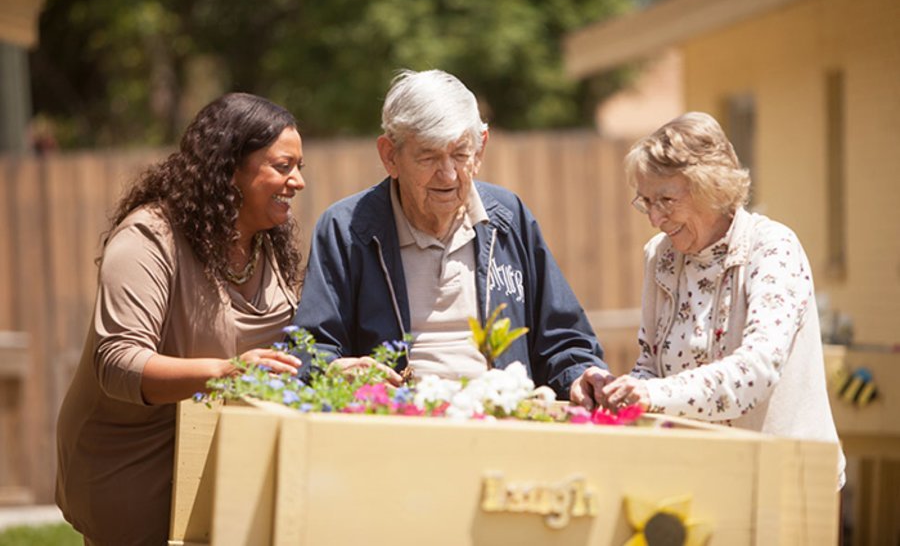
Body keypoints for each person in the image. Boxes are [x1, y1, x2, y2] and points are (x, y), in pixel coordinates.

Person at [56, 93, 306, 545]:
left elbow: (282, 356)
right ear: (230, 168)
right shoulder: (150, 238)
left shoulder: (269, 246)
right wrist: (227, 373)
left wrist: (330, 368)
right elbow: (118, 363)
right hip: (135, 469)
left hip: (223, 460)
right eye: (283, 166)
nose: (298, 181)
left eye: (299, 167)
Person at [292, 69, 609, 396]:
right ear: (390, 156)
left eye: (460, 154)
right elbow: (311, 347)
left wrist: (580, 376)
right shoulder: (347, 230)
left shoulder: (508, 218)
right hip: (399, 427)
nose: (448, 175)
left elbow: (563, 340)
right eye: (428, 156)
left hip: (502, 421)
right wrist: (333, 370)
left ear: (481, 148)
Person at [570, 112, 844, 484]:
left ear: (711, 187)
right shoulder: (661, 256)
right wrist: (614, 389)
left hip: (788, 480)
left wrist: (648, 393)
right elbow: (652, 366)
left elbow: (756, 371)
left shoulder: (773, 248)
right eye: (646, 202)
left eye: (666, 199)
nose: (654, 217)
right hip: (701, 477)